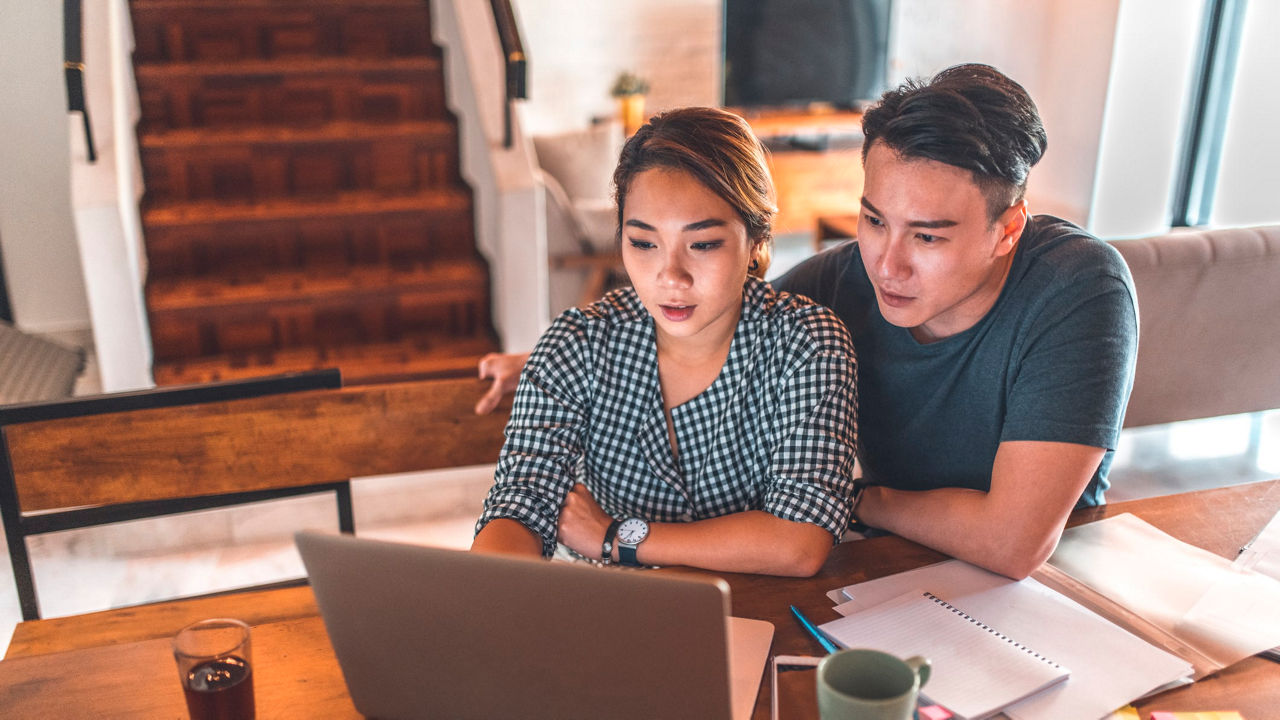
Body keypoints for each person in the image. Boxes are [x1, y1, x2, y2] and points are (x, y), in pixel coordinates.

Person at [477, 65, 1139, 581]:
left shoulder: (1077, 287)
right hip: (884, 573)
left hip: (1049, 588)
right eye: (874, 219)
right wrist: (546, 360)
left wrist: (856, 501)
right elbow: (707, 314)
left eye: (928, 238)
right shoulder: (838, 283)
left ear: (1007, 231)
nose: (887, 263)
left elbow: (1013, 542)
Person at [471, 107, 858, 577]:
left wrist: (616, 537)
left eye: (703, 244)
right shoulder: (576, 345)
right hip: (616, 615)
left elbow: (800, 540)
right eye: (643, 243)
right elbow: (520, 504)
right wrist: (486, 595)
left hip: (760, 613)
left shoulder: (807, 345)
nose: (670, 277)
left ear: (756, 239)